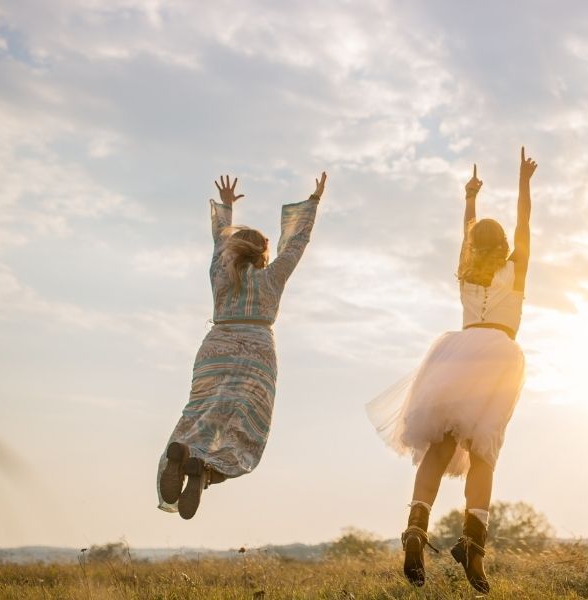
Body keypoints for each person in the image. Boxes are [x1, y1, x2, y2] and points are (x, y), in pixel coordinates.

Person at [367, 148, 537, 592]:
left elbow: (466, 235)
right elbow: (525, 224)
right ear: (502, 247)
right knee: (483, 455)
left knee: (439, 450)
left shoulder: (465, 271)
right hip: (498, 356)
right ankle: (472, 545)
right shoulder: (515, 272)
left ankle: (415, 529)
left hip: (456, 356)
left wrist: (470, 198)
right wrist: (523, 183)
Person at [156, 173, 325, 519]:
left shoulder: (220, 274)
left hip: (215, 349)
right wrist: (312, 202)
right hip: (257, 355)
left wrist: (227, 207)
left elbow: (220, 241)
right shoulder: (272, 276)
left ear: (233, 251)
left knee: (199, 412)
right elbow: (296, 244)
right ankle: (204, 469)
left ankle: (189, 451)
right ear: (264, 254)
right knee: (246, 429)